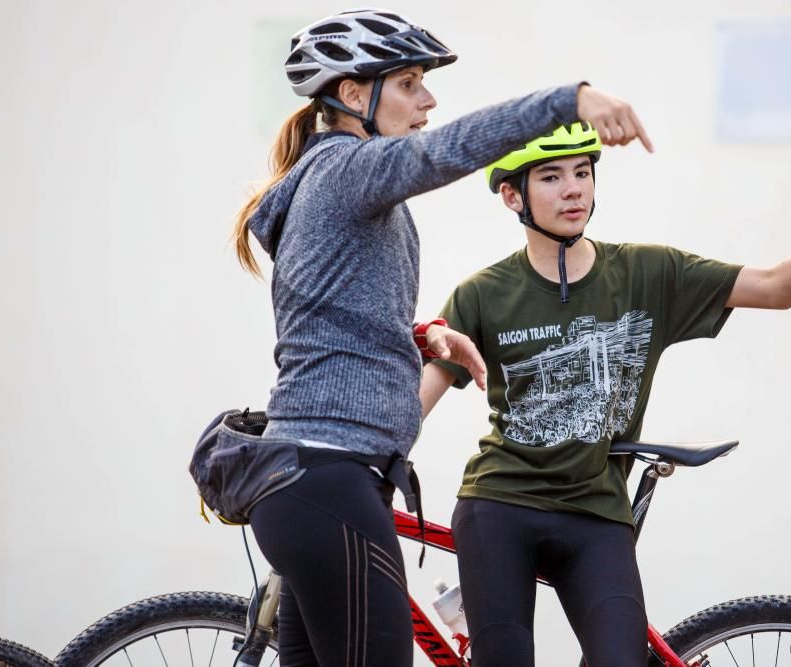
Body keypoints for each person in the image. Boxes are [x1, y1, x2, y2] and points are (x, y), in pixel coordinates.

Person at [419, 122, 791, 667]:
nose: (573, 189)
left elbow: (779, 287)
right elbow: (417, 403)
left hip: (594, 511)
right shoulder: (481, 295)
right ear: (512, 195)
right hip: (500, 506)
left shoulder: (647, 273)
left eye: (583, 173)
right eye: (551, 176)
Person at [229, 9, 653, 667]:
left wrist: (420, 336)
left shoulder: (329, 180)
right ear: (350, 94)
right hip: (330, 481)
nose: (427, 99)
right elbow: (447, 149)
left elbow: (329, 315)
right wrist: (570, 100)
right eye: (407, 83)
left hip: (312, 481)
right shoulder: (348, 169)